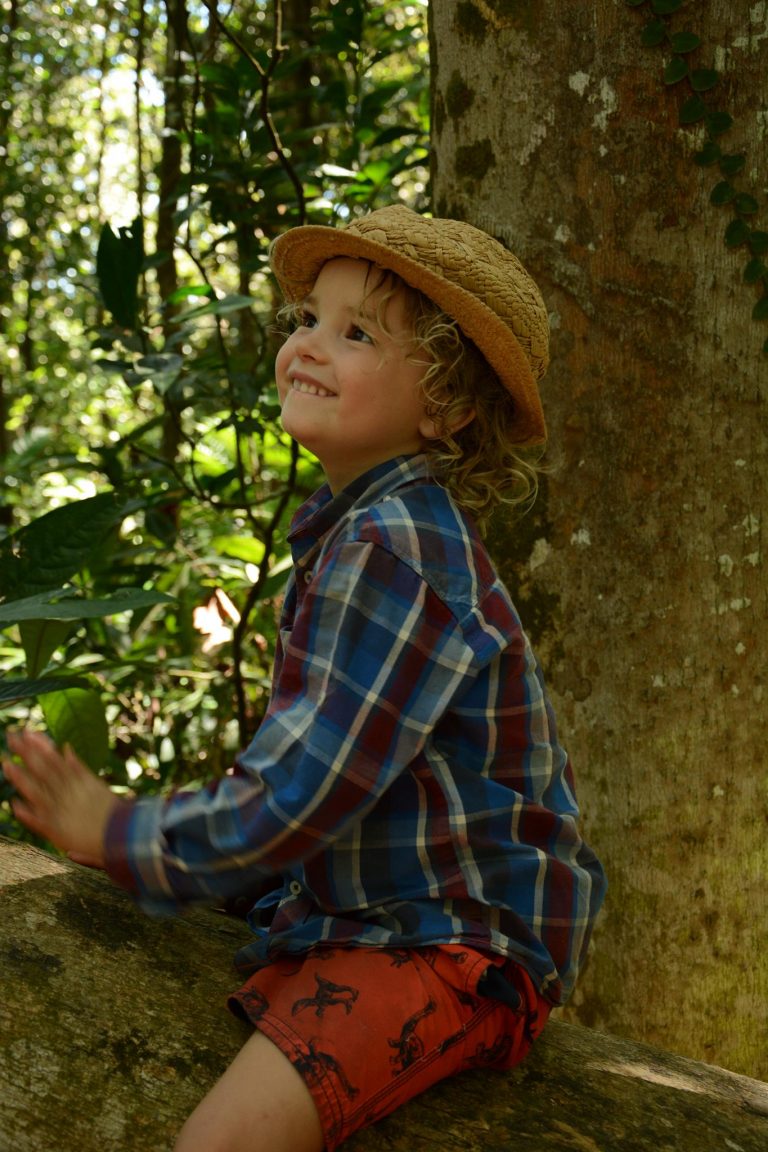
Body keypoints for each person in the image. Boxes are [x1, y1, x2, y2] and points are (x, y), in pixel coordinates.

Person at [3, 204, 606, 1152]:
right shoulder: (359, 532)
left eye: (356, 332)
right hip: (391, 915)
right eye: (307, 320)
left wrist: (124, 834)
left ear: (443, 405)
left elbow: (300, 794)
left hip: (454, 943)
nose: (308, 347)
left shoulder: (397, 547)